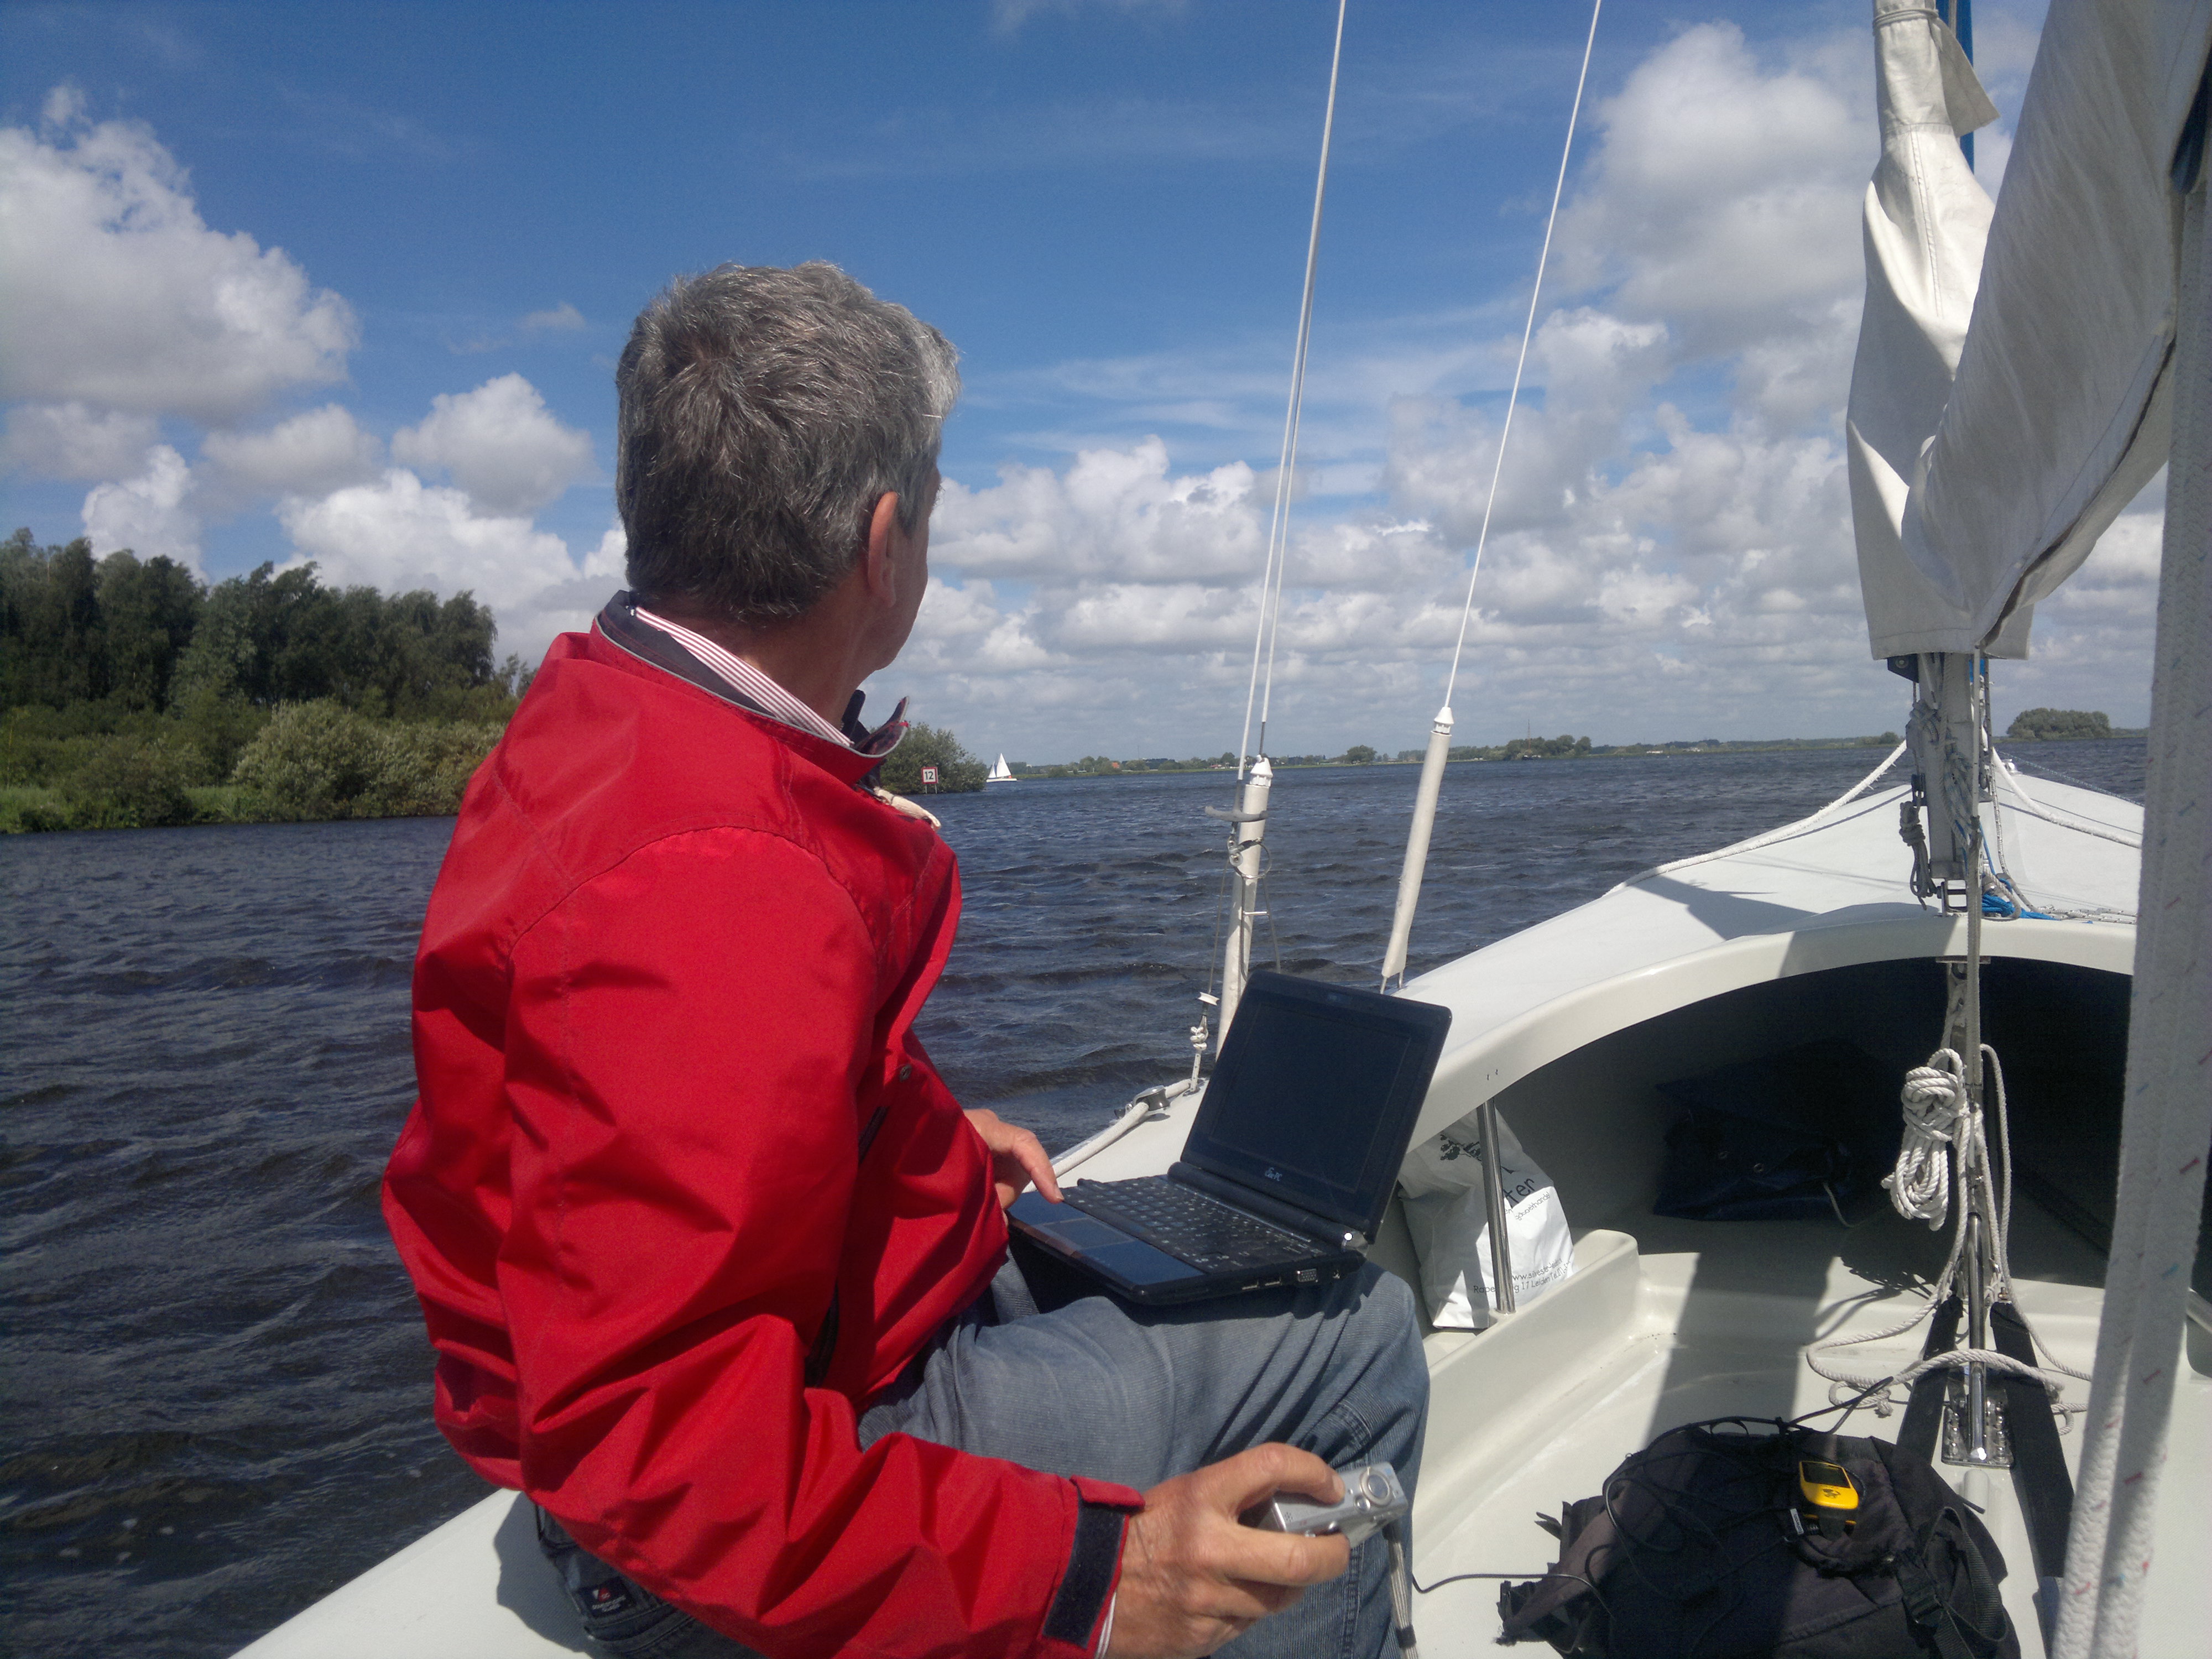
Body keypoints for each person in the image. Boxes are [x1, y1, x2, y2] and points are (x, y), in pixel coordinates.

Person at [383, 261, 1427, 1659]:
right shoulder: (710, 874)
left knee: (1187, 1262)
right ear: (885, 543)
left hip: (830, 1344)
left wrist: (898, 1136)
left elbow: (649, 1119)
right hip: (736, 1514)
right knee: (1354, 1334)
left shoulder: (612, 720)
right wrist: (1090, 1578)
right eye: (931, 510)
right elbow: (658, 1450)